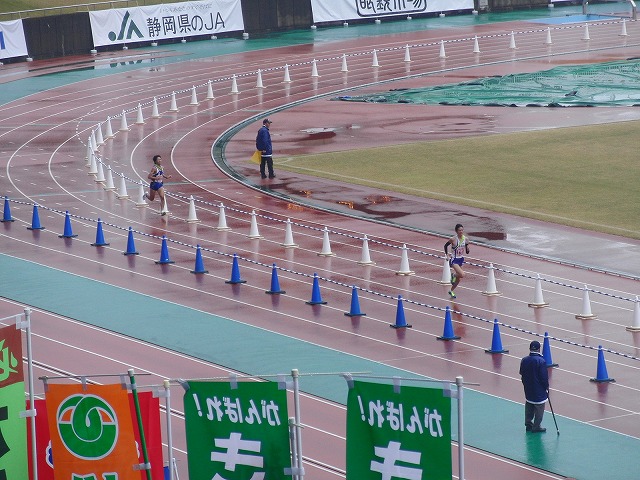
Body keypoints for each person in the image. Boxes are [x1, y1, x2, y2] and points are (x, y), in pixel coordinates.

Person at [519, 340, 549, 433]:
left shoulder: (524, 360)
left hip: (528, 387)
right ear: (539, 349)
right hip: (538, 388)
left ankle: (528, 424)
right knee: (539, 407)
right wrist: (546, 387)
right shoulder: (541, 361)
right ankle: (536, 426)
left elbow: (521, 372)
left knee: (529, 404)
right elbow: (543, 377)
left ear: (530, 348)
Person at [444, 223, 470, 299]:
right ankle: (454, 275)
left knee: (459, 279)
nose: (461, 232)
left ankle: (451, 291)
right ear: (456, 231)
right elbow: (445, 245)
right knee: (462, 274)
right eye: (459, 230)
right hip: (454, 259)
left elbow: (467, 251)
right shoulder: (453, 239)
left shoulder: (466, 239)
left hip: (461, 259)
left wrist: (468, 248)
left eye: (462, 230)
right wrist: (447, 254)